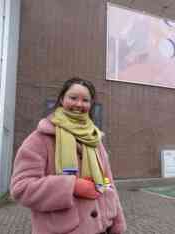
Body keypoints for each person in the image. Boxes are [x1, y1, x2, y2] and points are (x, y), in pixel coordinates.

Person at [10, 77, 127, 234]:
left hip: (102, 227)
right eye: (73, 98)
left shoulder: (94, 139)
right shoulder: (40, 138)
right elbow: (21, 188)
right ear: (61, 99)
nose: (79, 104)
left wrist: (117, 224)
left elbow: (108, 183)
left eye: (85, 100)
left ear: (90, 105)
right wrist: (72, 186)